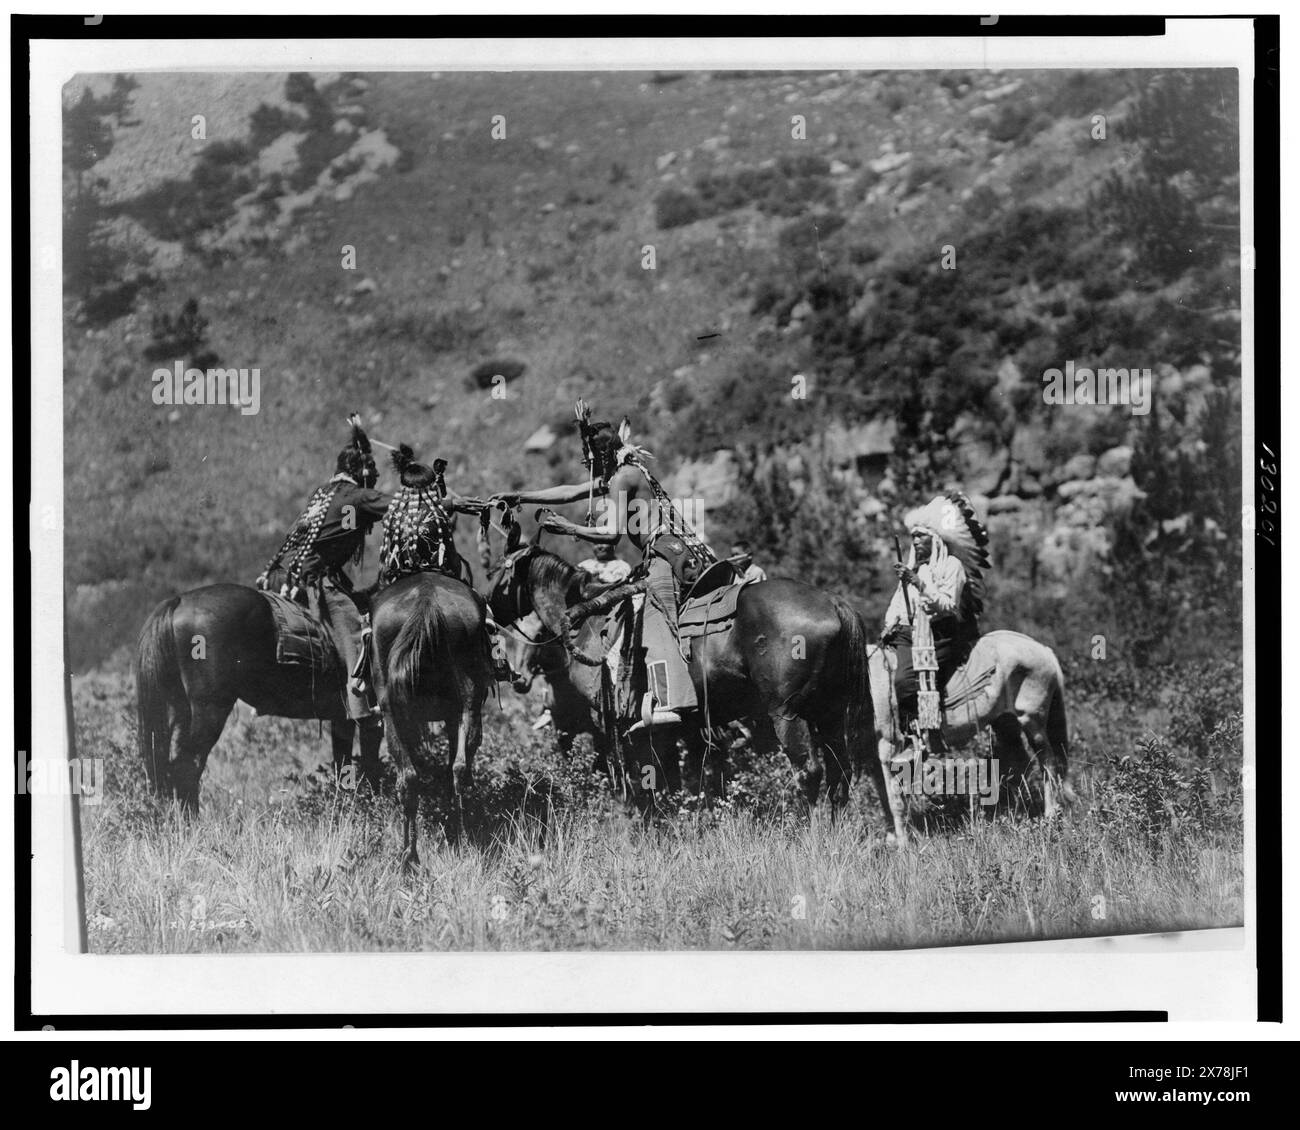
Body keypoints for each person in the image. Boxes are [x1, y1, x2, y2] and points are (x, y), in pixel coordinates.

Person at [491, 401, 714, 731]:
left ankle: (670, 700)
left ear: (603, 456)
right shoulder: (621, 474)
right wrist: (520, 496)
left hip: (665, 554)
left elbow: (611, 534)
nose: (589, 467)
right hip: (666, 551)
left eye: (591, 460)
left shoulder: (622, 478)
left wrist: (570, 529)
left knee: (653, 615)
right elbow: (570, 492)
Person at [257, 414, 390, 722]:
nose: (376, 475)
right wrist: (438, 499)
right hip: (311, 581)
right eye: (372, 471)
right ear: (362, 471)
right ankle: (360, 708)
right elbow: (400, 504)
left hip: (278, 577)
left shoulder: (321, 493)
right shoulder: (357, 496)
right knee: (353, 632)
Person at [881, 491, 989, 747]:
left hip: (941, 633)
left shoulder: (952, 566)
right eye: (913, 536)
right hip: (909, 632)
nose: (916, 541)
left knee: (905, 680)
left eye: (922, 536)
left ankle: (918, 736)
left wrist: (919, 583)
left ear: (936, 539)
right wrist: (890, 623)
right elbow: (898, 601)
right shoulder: (914, 568)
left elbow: (948, 605)